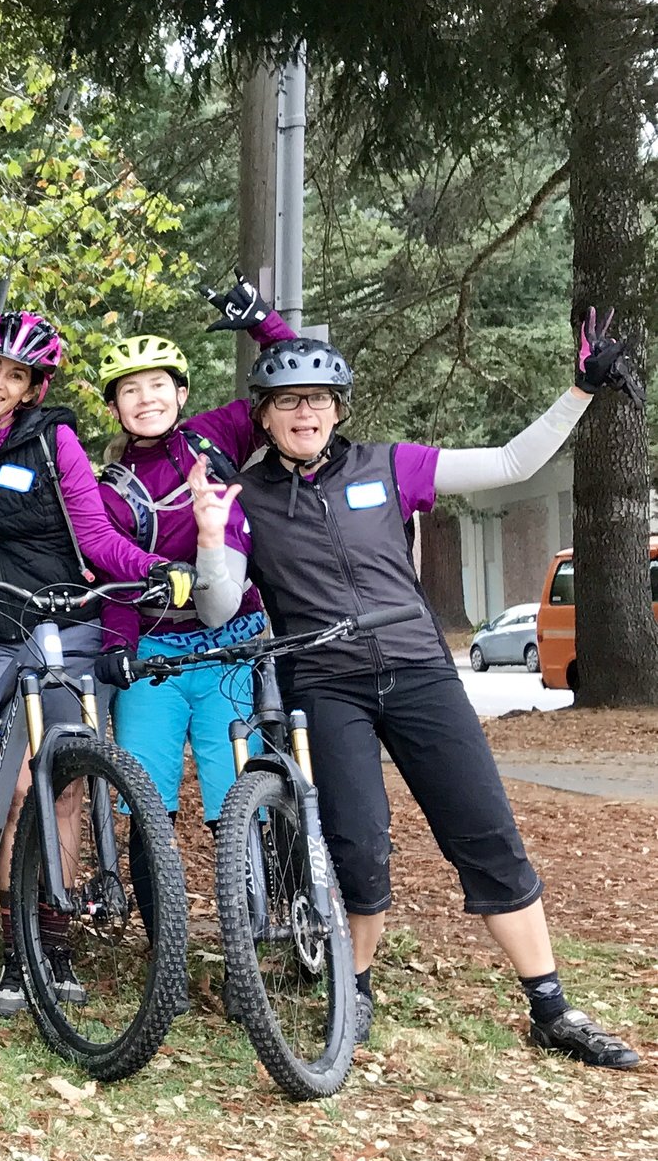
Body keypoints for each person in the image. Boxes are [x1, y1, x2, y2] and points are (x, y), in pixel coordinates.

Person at [187, 318, 640, 1069]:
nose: (306, 413)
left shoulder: (389, 465)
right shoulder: (245, 498)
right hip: (325, 683)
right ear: (261, 415)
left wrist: (581, 390)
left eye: (320, 400)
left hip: (419, 670)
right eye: (288, 401)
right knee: (358, 844)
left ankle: (551, 1006)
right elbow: (215, 607)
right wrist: (209, 536)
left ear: (339, 408)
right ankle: (354, 987)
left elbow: (510, 460)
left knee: (485, 830)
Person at [0, 304, 194, 1018]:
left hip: (64, 629)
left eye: (16, 374)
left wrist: (153, 568)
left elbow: (98, 537)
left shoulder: (53, 440)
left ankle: (54, 941)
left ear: (33, 387)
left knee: (58, 785)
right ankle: (16, 951)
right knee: (7, 791)